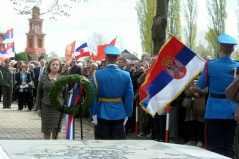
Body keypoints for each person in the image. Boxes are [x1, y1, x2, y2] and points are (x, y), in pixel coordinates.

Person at [197, 34, 238, 158]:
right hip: (233, 110)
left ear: (219, 49)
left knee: (214, 147)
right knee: (229, 146)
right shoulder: (237, 66)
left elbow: (200, 84)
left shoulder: (210, 65)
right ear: (233, 50)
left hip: (214, 111)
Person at [89, 46, 134, 139]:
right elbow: (129, 95)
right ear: (118, 59)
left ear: (105, 58)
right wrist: (127, 114)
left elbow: (92, 95)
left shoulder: (96, 74)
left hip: (101, 111)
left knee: (102, 147)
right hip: (119, 112)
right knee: (118, 147)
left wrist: (93, 113)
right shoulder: (126, 75)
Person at [35, 58, 65, 140]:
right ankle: (46, 148)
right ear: (49, 66)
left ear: (59, 67)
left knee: (56, 131)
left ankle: (54, 148)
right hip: (46, 107)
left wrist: (65, 108)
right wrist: (38, 108)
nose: (55, 66)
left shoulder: (63, 78)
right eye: (53, 64)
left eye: (57, 65)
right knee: (46, 130)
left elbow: (66, 95)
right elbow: (39, 93)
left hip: (58, 108)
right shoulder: (43, 77)